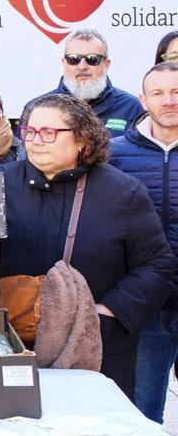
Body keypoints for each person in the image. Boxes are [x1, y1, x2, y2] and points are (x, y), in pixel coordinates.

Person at [0, 93, 173, 397]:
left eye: (49, 132)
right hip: (12, 342)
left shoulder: (123, 193)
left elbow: (157, 265)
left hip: (95, 344)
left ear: (83, 140)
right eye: (29, 131)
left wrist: (108, 311)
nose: (36, 140)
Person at [108, 62, 178, 422]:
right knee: (141, 412)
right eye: (159, 93)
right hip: (145, 306)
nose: (169, 101)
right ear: (143, 100)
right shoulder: (115, 154)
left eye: (177, 92)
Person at [36, 29, 144, 135]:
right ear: (64, 63)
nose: (82, 67)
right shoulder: (38, 108)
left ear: (106, 64)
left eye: (92, 59)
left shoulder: (132, 108)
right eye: (74, 59)